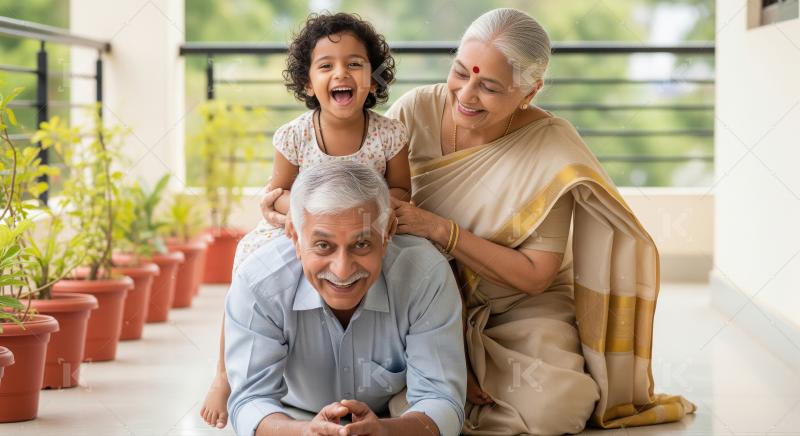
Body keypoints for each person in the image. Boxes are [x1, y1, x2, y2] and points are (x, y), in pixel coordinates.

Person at [262, 7, 695, 435]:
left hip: (516, 307)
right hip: (423, 295)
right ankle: (440, 388)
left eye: (489, 86)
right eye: (460, 73)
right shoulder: (416, 112)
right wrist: (289, 205)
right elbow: (362, 198)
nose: (466, 95)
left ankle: (447, 395)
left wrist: (441, 231)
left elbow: (534, 277)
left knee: (558, 406)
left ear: (529, 91)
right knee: (389, 391)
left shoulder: (550, 149)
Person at [201, 12, 411, 428]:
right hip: (305, 226)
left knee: (428, 259)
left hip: (368, 227)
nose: (341, 72)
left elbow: (403, 191)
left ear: (373, 77)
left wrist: (378, 211)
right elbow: (277, 195)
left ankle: (437, 370)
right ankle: (224, 375)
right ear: (307, 82)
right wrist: (293, 214)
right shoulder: (294, 136)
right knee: (247, 254)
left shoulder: (390, 135)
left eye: (355, 63)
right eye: (326, 65)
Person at [225, 161, 466, 436]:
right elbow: (249, 401)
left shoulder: (426, 275)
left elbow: (442, 400)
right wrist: (304, 433)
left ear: (387, 233)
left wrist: (386, 432)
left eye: (361, 244)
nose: (342, 269)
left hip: (397, 418)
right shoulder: (259, 281)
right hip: (288, 419)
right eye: (323, 245)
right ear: (294, 236)